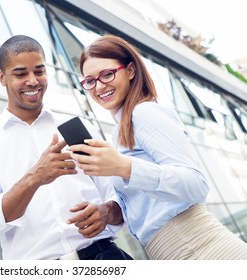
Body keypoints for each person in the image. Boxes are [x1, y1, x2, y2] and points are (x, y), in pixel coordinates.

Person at [69, 34, 247, 260]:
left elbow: (196, 184)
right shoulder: (120, 131)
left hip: (200, 248)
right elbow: (146, 206)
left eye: (107, 74)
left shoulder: (145, 113)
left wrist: (125, 167)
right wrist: (106, 212)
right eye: (90, 81)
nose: (99, 86)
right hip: (172, 252)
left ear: (131, 71)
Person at [0, 35, 133, 260]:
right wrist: (34, 178)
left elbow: (119, 196)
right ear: (2, 77)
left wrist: (106, 212)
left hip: (104, 257)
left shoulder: (74, 126)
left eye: (39, 71)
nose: (33, 81)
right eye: (21, 74)